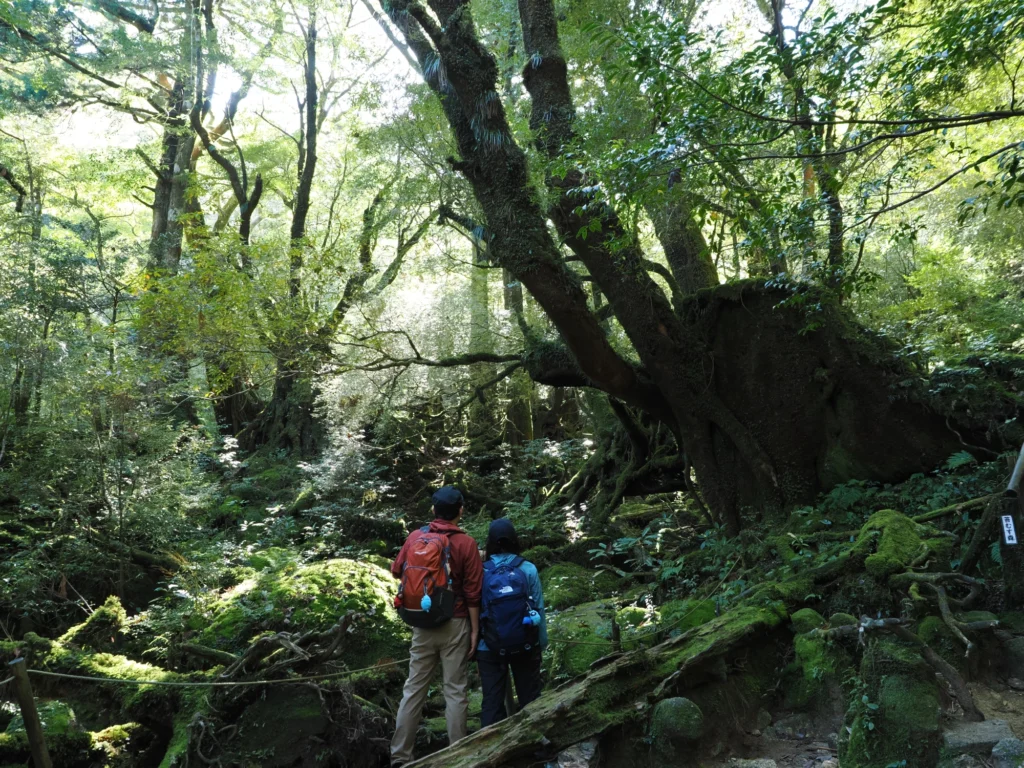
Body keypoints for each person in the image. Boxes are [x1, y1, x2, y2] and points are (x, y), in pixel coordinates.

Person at [390, 486, 482, 767]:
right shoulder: (466, 543)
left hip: (422, 621)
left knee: (413, 688)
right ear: (460, 511)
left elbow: (397, 569)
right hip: (455, 622)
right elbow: (473, 591)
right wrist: (475, 630)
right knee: (454, 690)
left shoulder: (416, 537)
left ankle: (400, 756)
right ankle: (458, 757)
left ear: (433, 510)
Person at [477, 518, 547, 727]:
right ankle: (539, 750)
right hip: (525, 642)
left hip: (489, 646)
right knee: (531, 699)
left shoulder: (481, 572)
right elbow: (539, 609)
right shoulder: (528, 569)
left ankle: (490, 753)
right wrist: (541, 642)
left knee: (491, 702)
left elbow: (475, 608)